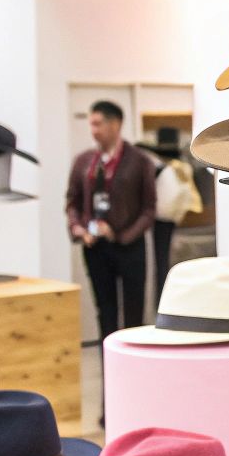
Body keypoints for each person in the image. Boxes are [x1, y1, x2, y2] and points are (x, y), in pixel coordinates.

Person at [66, 101, 156, 339]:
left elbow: (149, 209)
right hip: (95, 247)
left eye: (98, 124)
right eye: (91, 124)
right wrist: (78, 229)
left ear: (115, 124)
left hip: (129, 246)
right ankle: (109, 371)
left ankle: (134, 371)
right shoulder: (84, 162)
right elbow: (72, 202)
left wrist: (121, 235)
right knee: (105, 312)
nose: (93, 130)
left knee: (133, 313)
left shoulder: (139, 161)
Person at [144, 128, 204, 295]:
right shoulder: (182, 170)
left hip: (163, 223)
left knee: (163, 266)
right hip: (177, 222)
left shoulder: (167, 171)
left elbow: (164, 206)